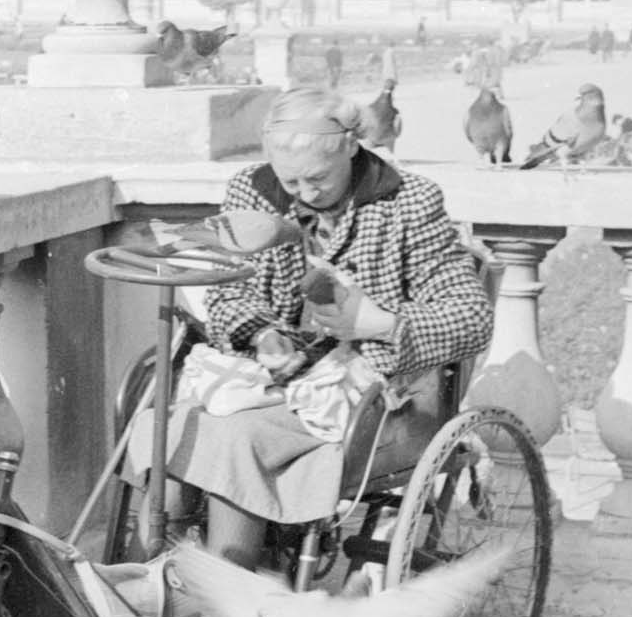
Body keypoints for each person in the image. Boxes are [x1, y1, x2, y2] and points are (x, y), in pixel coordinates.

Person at [124, 87, 493, 568]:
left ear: (351, 146)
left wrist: (378, 323)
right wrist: (260, 334)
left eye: (317, 179)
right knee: (173, 427)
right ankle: (140, 590)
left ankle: (234, 608)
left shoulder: (409, 202)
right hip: (268, 378)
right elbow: (228, 291)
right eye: (290, 181)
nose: (304, 194)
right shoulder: (253, 191)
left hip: (364, 395)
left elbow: (472, 317)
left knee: (236, 437)